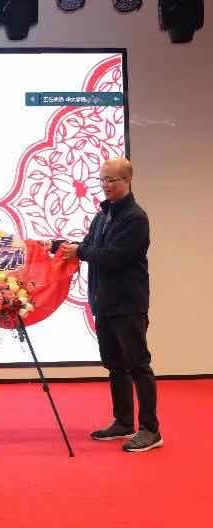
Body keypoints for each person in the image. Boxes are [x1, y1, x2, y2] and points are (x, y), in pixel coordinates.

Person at [57, 158, 162, 452]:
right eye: (102, 179)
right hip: (103, 303)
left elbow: (114, 257)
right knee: (114, 364)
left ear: (127, 180)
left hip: (128, 304)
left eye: (112, 180)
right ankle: (123, 422)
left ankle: (151, 429)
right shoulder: (103, 215)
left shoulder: (135, 218)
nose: (106, 185)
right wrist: (61, 247)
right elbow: (89, 246)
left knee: (138, 365)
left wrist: (80, 251)